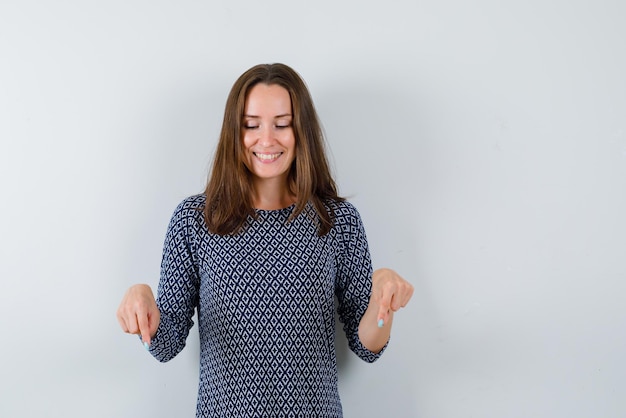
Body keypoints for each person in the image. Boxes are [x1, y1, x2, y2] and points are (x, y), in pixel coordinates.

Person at [116, 63, 414, 417]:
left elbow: (368, 347)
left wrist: (383, 304)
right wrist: (142, 296)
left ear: (301, 131)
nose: (267, 139)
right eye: (251, 125)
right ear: (234, 132)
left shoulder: (337, 221)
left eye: (283, 124)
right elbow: (164, 345)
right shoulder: (195, 220)